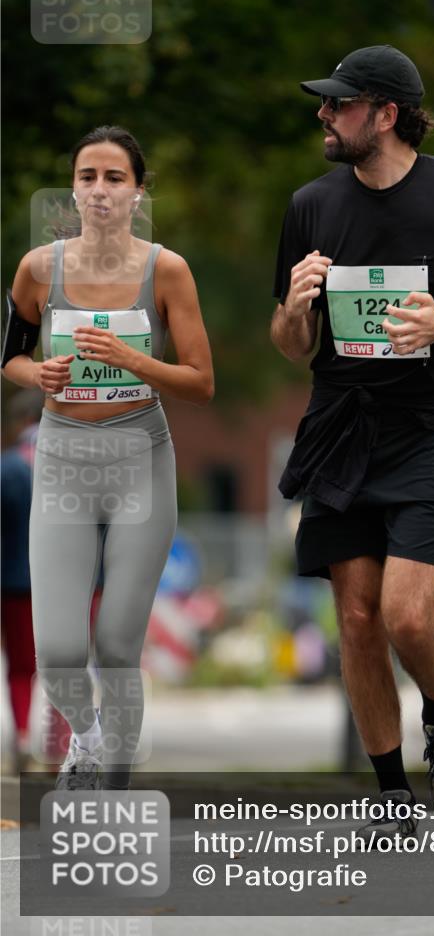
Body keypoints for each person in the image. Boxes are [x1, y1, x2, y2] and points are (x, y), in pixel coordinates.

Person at [270, 45, 434, 843]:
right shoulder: (310, 204)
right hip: (342, 425)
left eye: (340, 104)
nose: (324, 113)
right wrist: (297, 305)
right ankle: (389, 796)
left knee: (406, 617)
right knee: (353, 619)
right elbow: (287, 344)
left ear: (385, 112)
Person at [1, 125, 214, 790]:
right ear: (73, 188)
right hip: (62, 458)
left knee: (118, 645)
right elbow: (10, 356)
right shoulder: (40, 268)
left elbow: (201, 381)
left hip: (139, 458)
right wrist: (37, 377)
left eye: (114, 178)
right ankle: (87, 742)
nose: (99, 190)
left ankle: (113, 781)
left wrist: (134, 361)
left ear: (137, 193)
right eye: (88, 176)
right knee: (60, 650)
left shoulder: (167, 270)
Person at [1, 389, 42, 772]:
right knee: (68, 664)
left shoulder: (8, 467)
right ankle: (64, 745)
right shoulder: (73, 467)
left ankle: (25, 734)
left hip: (13, 581)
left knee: (18, 667)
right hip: (65, 584)